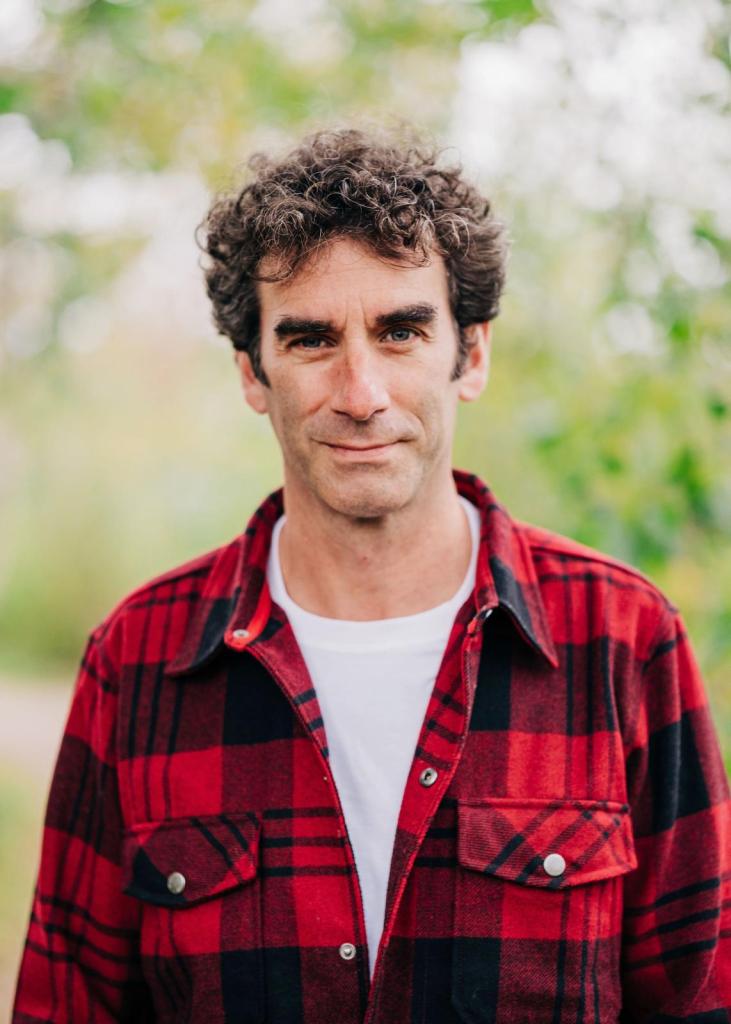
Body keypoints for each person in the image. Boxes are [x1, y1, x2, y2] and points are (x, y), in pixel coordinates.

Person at [12, 127, 730, 1023]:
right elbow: (64, 1004)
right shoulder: (137, 658)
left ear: (471, 356)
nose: (360, 394)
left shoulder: (624, 637)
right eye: (311, 340)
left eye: (401, 332)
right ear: (252, 375)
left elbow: (700, 1000)